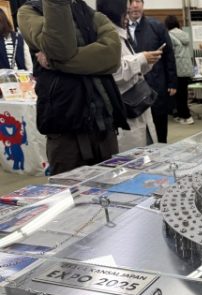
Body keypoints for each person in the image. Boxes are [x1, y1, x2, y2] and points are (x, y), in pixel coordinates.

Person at [18, 0, 128, 175]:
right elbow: (59, 48)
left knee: (113, 185)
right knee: (69, 188)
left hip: (103, 122)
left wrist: (55, 62)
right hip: (66, 125)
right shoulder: (29, 11)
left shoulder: (90, 13)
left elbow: (112, 55)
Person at [97, 0, 160, 152]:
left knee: (147, 151)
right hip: (125, 107)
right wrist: (141, 59)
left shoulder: (121, 35)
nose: (128, 15)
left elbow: (131, 69)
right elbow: (115, 72)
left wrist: (147, 61)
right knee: (133, 156)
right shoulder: (106, 37)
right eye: (125, 12)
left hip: (139, 105)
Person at [128, 0, 177, 143]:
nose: (135, 5)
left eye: (138, 1)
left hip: (155, 85)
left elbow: (169, 55)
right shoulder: (119, 29)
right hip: (131, 88)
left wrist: (172, 82)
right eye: (131, 1)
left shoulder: (156, 26)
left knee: (159, 126)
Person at [164, 15, 194, 125]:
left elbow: (169, 53)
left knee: (179, 95)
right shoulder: (184, 34)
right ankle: (183, 115)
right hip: (186, 68)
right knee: (183, 94)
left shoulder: (169, 36)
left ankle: (186, 116)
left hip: (177, 68)